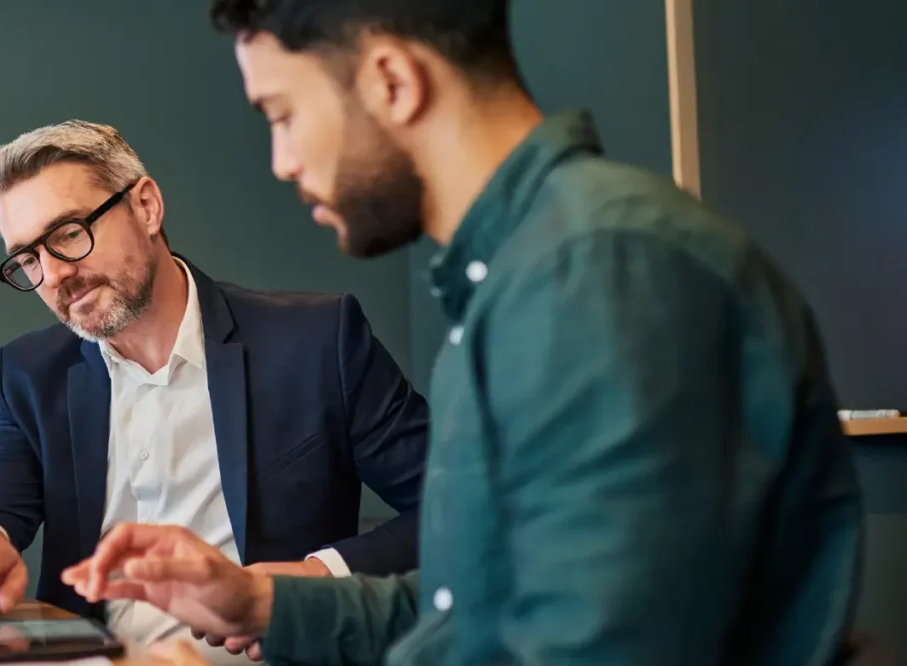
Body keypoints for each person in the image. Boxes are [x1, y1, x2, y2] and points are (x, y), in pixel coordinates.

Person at [61, 1, 865, 665]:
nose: (281, 159)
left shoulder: (598, 271)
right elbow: (474, 600)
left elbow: (594, 648)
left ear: (391, 80)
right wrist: (263, 600)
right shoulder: (521, 275)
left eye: (283, 113)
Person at [0, 120, 432, 656]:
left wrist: (308, 579)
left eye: (68, 233)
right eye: (27, 259)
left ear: (146, 207)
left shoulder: (318, 343)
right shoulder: (31, 372)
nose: (54, 276)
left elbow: (457, 507)